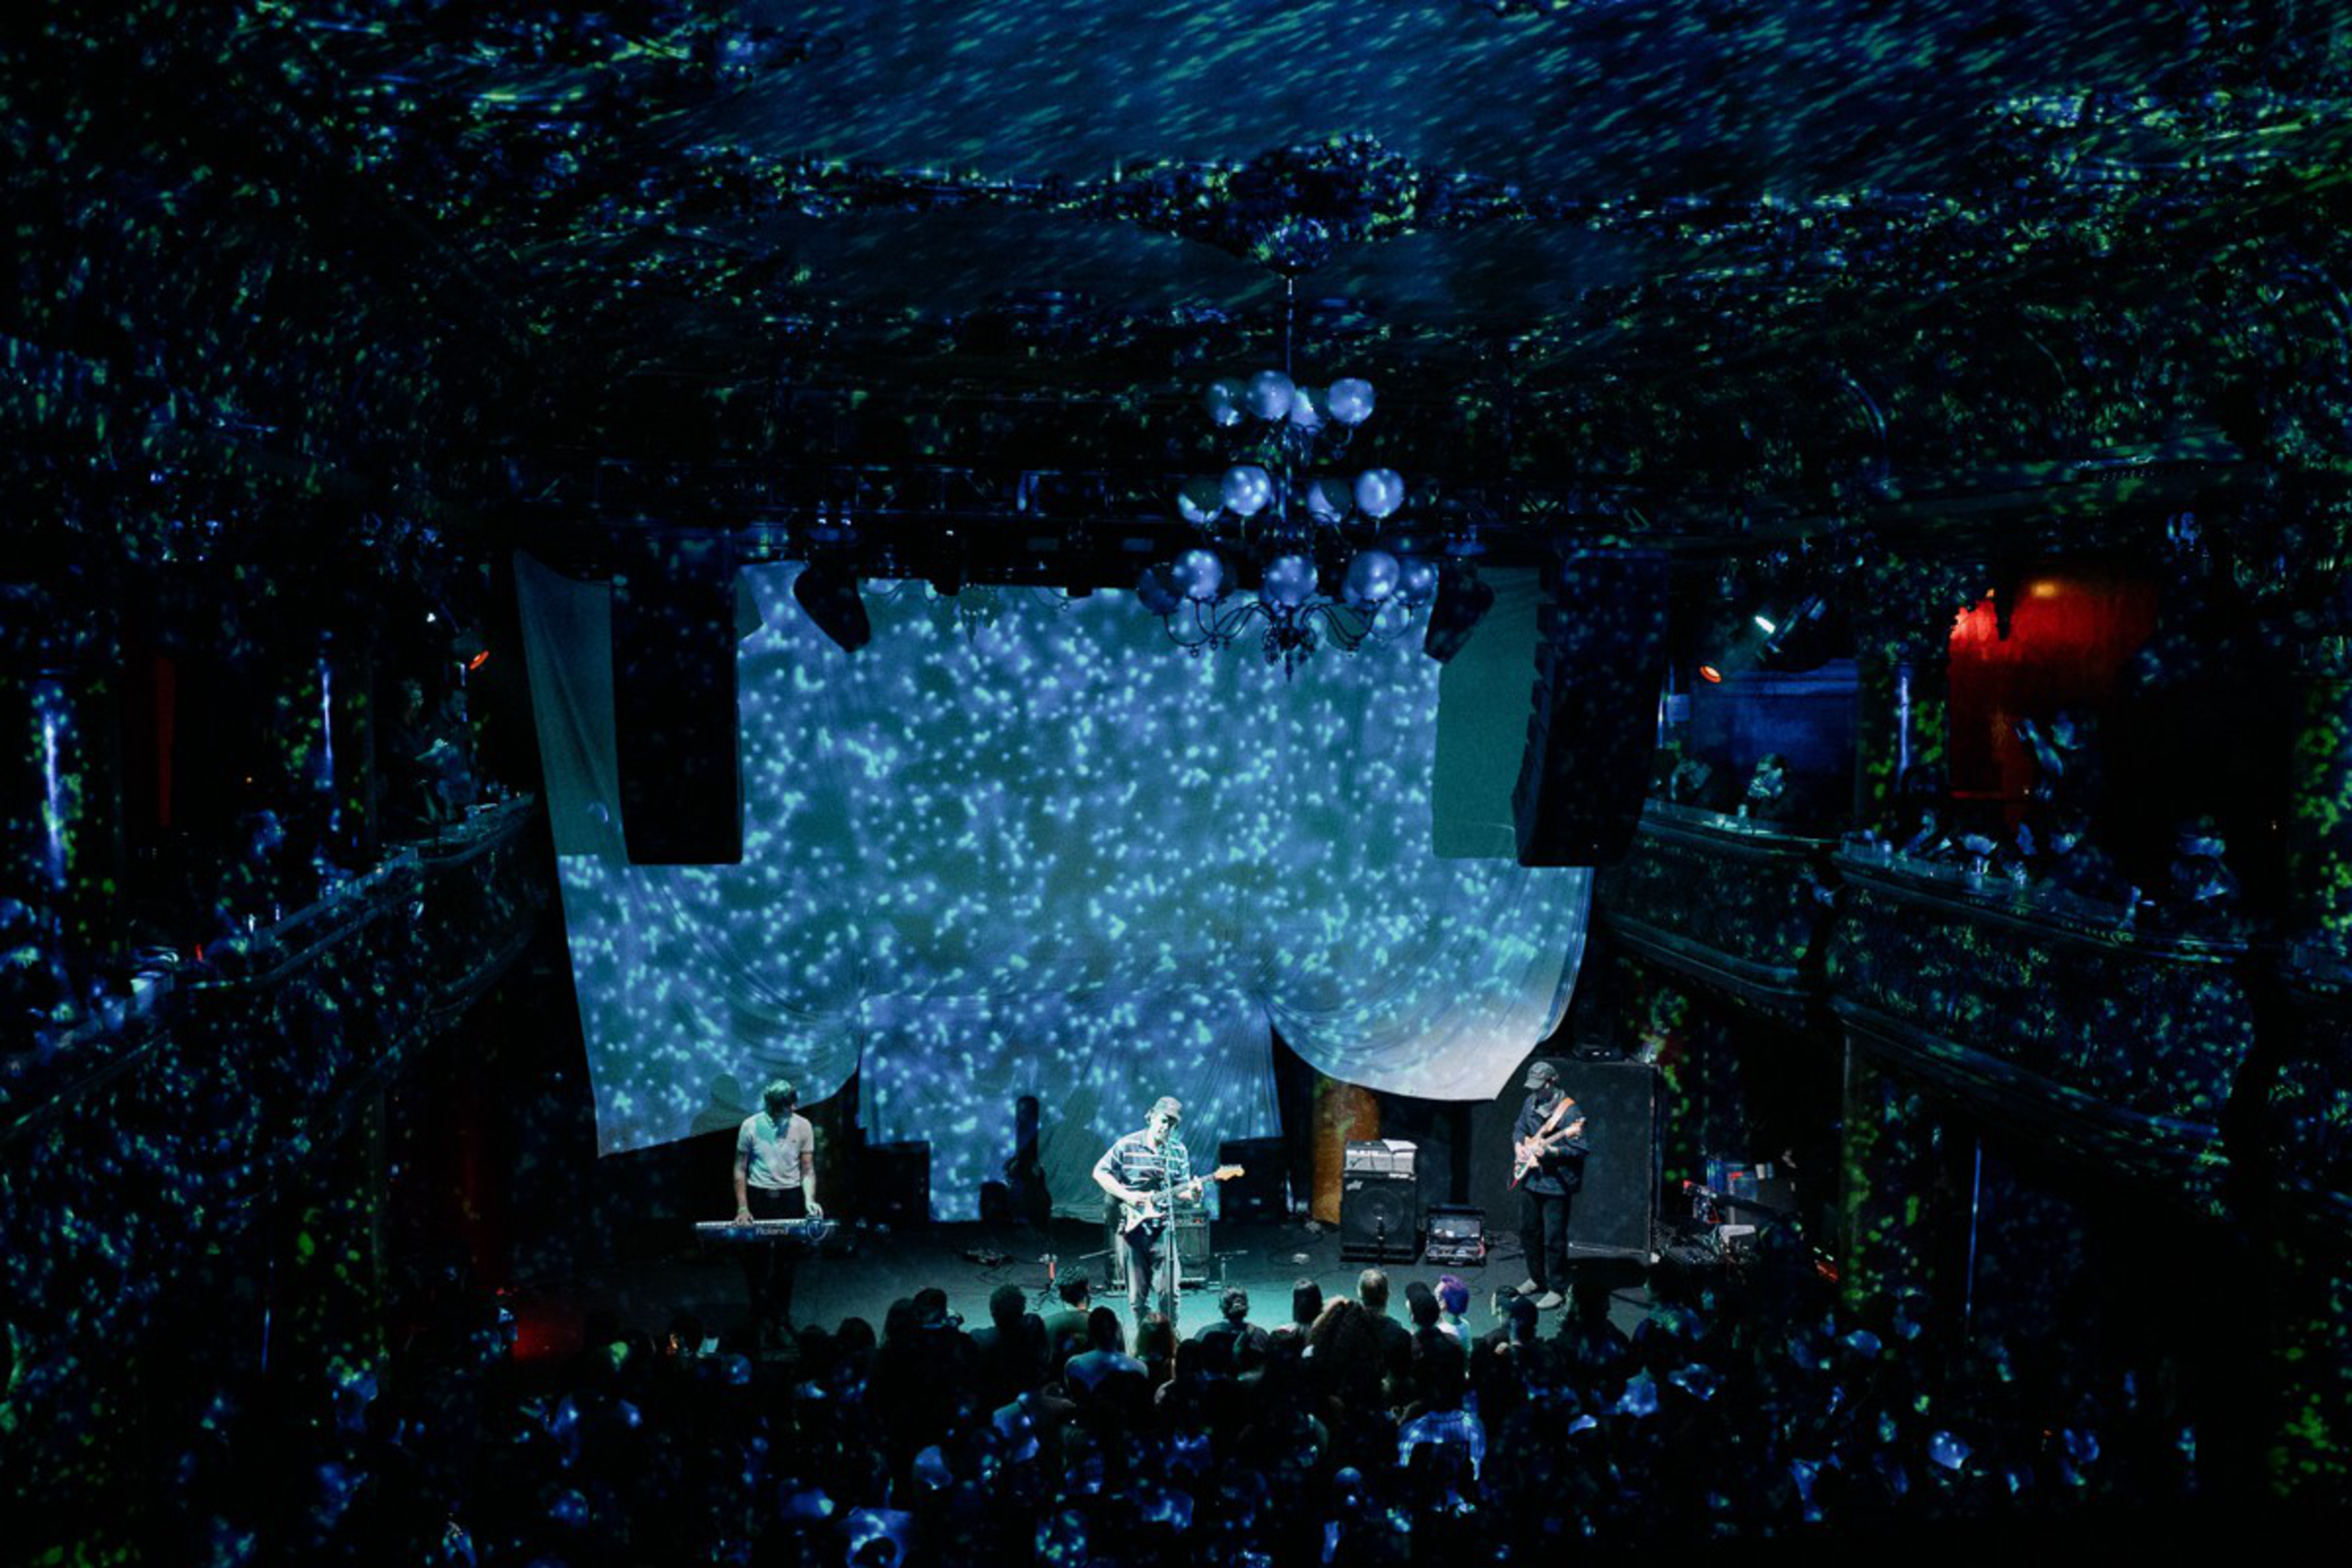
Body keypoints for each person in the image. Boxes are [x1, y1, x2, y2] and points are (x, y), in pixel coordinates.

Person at [1093, 1095, 1194, 1329]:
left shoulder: (1177, 1151)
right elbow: (1100, 1172)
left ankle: (1169, 1336)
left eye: (1173, 1123)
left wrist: (1195, 1194)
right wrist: (1128, 1196)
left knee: (1170, 1293)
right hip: (1133, 1229)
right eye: (1164, 1120)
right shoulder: (1127, 1145)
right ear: (1151, 1116)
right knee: (1137, 1297)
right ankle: (1144, 1338)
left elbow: (1182, 1190)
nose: (1167, 1127)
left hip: (1163, 1228)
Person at [733, 1078, 822, 1342]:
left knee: (787, 1263)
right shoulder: (750, 1126)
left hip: (790, 1197)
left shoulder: (803, 1126)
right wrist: (742, 1207)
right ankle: (759, 1315)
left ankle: (781, 1318)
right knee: (756, 1262)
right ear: (772, 1107)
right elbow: (739, 1169)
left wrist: (809, 1200)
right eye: (786, 1107)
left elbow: (807, 1170)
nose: (792, 1110)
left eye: (793, 1105)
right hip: (760, 1196)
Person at [1511, 1060, 1588, 1311]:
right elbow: (1519, 1129)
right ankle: (1536, 1278)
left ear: (1551, 1082)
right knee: (1528, 1231)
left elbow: (1580, 1149)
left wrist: (1551, 1151)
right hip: (1531, 1179)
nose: (1535, 1092)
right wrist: (1520, 1148)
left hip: (1556, 1184)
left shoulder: (1570, 1113)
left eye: (1539, 1086)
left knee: (1554, 1238)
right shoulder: (1530, 1102)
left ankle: (1557, 1288)